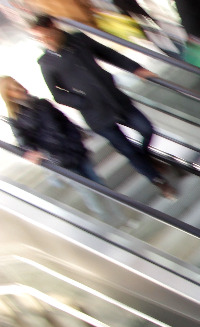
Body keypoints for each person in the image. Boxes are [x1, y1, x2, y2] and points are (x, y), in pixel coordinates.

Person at [30, 13, 177, 198]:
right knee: (127, 149)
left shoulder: (79, 40)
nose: (46, 41)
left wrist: (136, 68)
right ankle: (158, 180)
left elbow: (109, 54)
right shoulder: (46, 63)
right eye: (39, 38)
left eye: (47, 35)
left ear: (55, 27)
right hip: (96, 115)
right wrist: (81, 101)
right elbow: (57, 94)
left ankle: (145, 158)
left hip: (116, 101)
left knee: (146, 129)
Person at [2, 74, 119, 219]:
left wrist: (76, 139)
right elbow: (24, 143)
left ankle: (120, 216)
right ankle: (108, 218)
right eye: (14, 89)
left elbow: (65, 122)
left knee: (98, 183)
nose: (20, 90)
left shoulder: (42, 104)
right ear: (8, 95)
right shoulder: (16, 119)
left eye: (18, 86)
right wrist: (41, 154)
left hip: (75, 149)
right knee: (87, 191)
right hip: (59, 159)